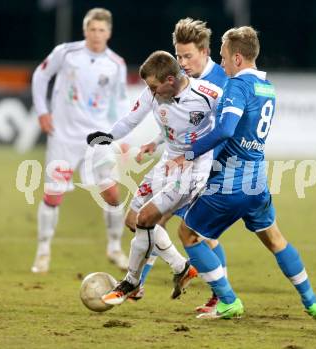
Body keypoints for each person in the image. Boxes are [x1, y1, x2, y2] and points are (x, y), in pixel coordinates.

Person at [167, 26, 316, 320]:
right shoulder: (267, 87)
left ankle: (227, 300)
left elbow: (226, 130)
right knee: (275, 239)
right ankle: (313, 302)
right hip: (257, 180)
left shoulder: (237, 86)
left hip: (231, 180)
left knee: (188, 233)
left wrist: (188, 153)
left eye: (224, 56)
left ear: (238, 58)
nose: (221, 61)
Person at [87, 50, 223, 305]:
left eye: (153, 86)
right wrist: (108, 137)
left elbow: (229, 126)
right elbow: (130, 120)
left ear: (170, 80)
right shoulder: (152, 93)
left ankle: (132, 283)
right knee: (132, 220)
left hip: (194, 170)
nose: (150, 91)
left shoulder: (208, 95)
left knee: (147, 219)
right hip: (167, 163)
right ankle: (181, 267)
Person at [136, 18, 228, 313]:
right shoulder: (180, 83)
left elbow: (225, 129)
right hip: (181, 164)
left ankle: (221, 297)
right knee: (153, 220)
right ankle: (139, 284)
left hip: (212, 167)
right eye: (178, 56)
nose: (182, 62)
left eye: (188, 56)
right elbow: (182, 127)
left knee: (200, 234)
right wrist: (157, 141)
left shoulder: (221, 82)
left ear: (204, 51)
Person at [31, 8, 129, 273]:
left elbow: (119, 102)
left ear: (108, 32)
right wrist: (42, 111)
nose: (96, 35)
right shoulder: (66, 52)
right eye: (92, 29)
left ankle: (115, 247)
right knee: (54, 193)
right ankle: (43, 251)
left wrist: (122, 136)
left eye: (101, 30)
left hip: (97, 138)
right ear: (85, 30)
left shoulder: (116, 64)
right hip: (63, 135)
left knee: (111, 193)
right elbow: (40, 76)